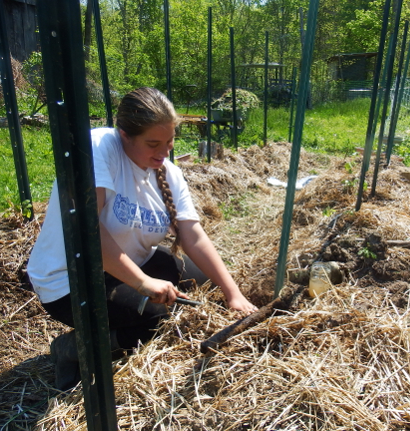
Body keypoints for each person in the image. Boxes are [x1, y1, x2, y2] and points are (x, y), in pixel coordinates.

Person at [27, 87, 257, 391]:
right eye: (153, 143)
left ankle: (134, 308)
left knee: (204, 282)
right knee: (163, 317)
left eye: (170, 142)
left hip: (128, 264)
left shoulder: (168, 173)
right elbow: (87, 231)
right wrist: (144, 284)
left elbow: (193, 235)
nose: (164, 152)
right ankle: (72, 349)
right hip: (72, 280)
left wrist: (233, 293)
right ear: (124, 135)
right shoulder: (97, 149)